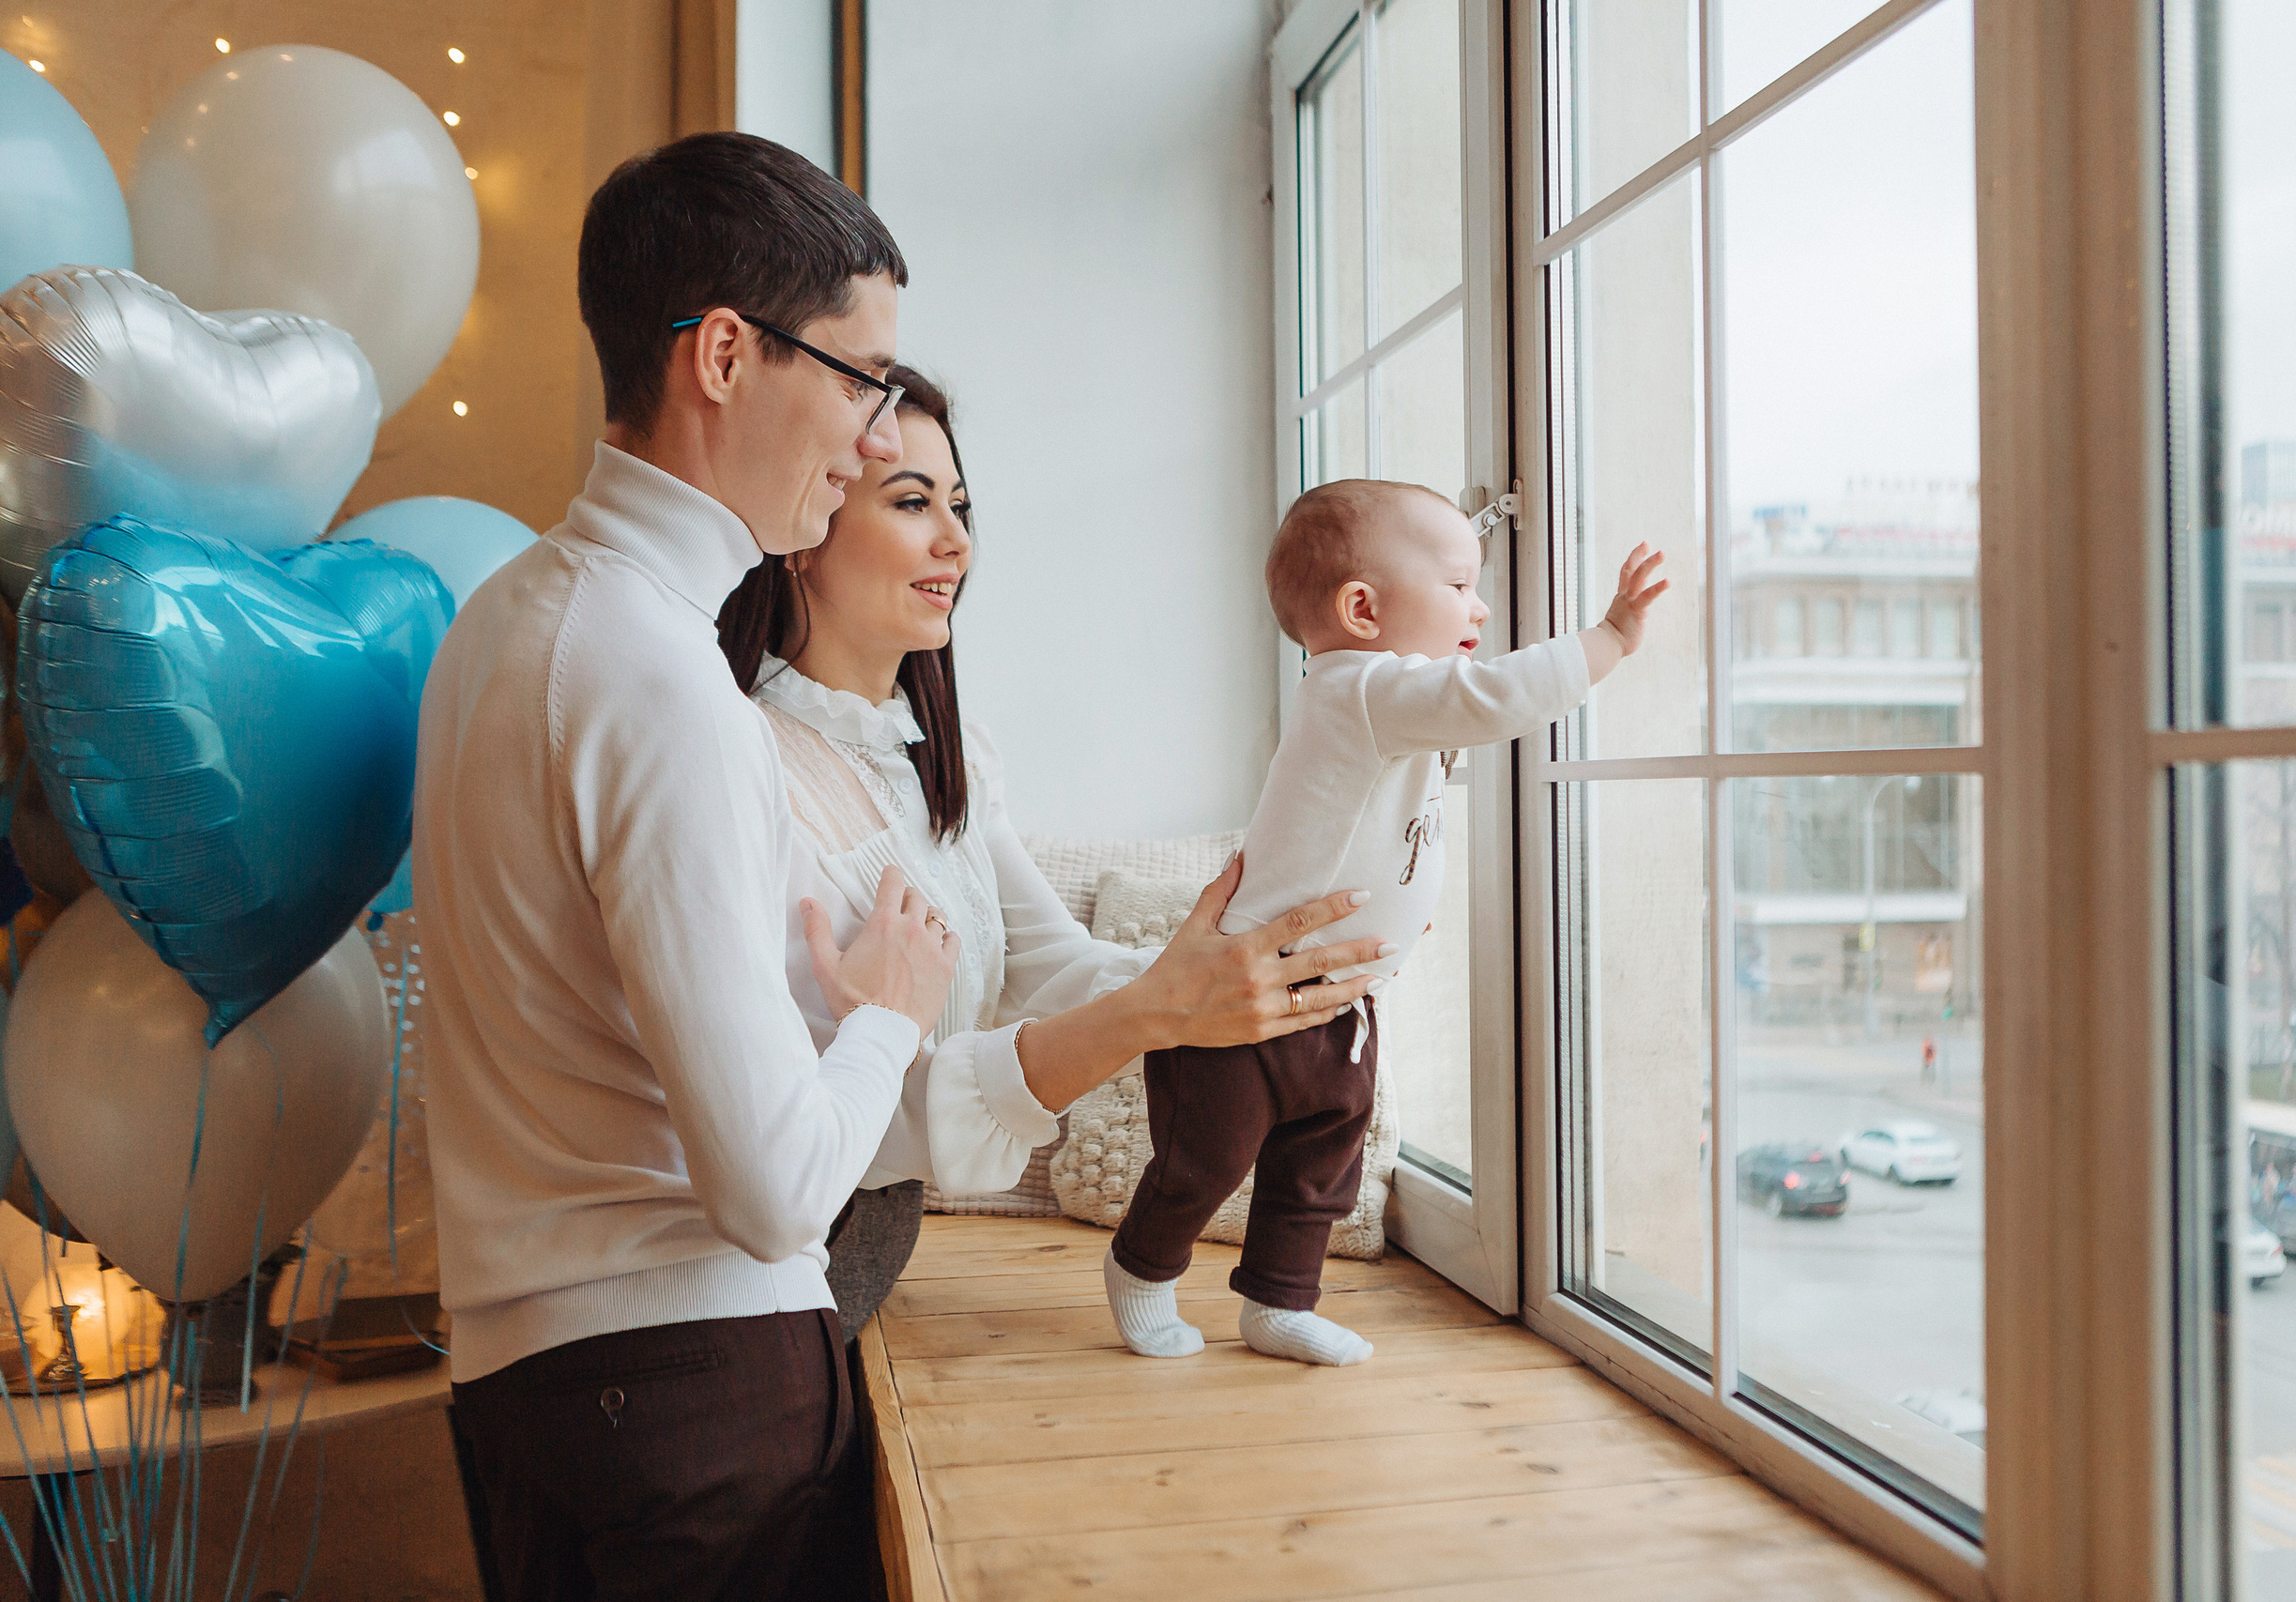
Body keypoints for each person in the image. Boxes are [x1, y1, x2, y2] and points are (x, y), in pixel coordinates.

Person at [419, 131, 1387, 1599]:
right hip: (693, 1387)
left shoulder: (509, 616)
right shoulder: (660, 680)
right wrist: (885, 1005)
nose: (872, 426)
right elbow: (773, 1189)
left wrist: (1189, 985)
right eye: (861, 377)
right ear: (727, 357)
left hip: (535, 1387)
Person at [715, 365, 1402, 1334]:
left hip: (871, 1245)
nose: (956, 540)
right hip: (783, 1266)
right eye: (911, 501)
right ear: (802, 527)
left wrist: (1232, 986)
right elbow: (834, 1131)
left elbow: (1052, 967)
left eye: (959, 504)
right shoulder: (745, 767)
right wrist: (1163, 1009)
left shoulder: (946, 758)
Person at [1105, 480, 1668, 1367]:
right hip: (1239, 1005)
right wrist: (1609, 639)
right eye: (1457, 585)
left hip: (1336, 1005)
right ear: (1362, 609)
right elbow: (1493, 697)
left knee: (1319, 1167)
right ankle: (1142, 1269)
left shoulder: (1380, 702)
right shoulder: (1361, 687)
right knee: (1199, 1165)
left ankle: (1278, 1303)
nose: (1478, 605)